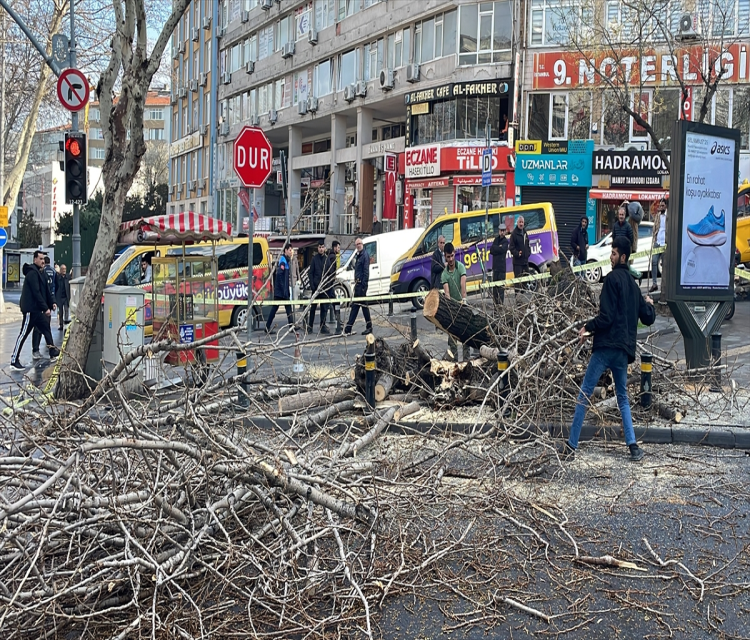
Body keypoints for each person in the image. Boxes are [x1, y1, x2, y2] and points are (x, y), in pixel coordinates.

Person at [557, 236, 656, 462]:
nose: (610, 257)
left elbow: (606, 318)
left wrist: (587, 328)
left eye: (613, 253)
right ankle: (633, 447)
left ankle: (571, 446)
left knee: (584, 394)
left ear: (622, 256)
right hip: (623, 351)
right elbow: (647, 317)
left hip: (605, 348)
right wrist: (649, 304)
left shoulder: (611, 280)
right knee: (622, 397)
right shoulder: (633, 284)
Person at [11, 251, 60, 369]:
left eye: (43, 259)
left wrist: (52, 302)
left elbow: (47, 291)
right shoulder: (32, 273)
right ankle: (14, 360)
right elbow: (36, 292)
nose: (43, 261)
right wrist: (45, 308)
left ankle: (52, 352)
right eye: (40, 259)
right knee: (23, 334)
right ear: (35, 260)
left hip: (37, 311)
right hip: (30, 310)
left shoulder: (41, 273)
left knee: (46, 329)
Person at [441, 242, 467, 361]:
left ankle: (467, 363)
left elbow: (463, 284)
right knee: (452, 341)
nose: (450, 259)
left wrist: (464, 300)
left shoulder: (460, 266)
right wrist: (450, 309)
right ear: (445, 256)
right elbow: (447, 293)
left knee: (466, 337)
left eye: (452, 256)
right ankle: (454, 365)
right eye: (448, 257)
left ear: (454, 254)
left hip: (461, 304)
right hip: (452, 307)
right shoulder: (444, 274)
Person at [344, 238, 373, 335]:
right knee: (359, 306)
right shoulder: (359, 255)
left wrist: (364, 285)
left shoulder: (364, 255)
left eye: (359, 244)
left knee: (358, 306)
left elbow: (366, 271)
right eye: (357, 244)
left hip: (361, 285)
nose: (358, 246)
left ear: (362, 244)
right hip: (358, 284)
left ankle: (349, 328)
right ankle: (366, 327)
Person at [265, 244, 295, 334]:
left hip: (283, 291)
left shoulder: (287, 260)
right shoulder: (283, 260)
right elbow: (279, 275)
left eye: (292, 250)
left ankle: (291, 326)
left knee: (288, 308)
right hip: (280, 292)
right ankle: (267, 327)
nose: (291, 252)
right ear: (285, 250)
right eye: (290, 250)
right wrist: (283, 290)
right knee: (274, 309)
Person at [307, 240, 331, 334]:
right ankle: (310, 326)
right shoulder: (314, 259)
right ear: (318, 248)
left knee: (324, 308)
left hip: (324, 288)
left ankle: (323, 326)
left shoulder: (327, 259)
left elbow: (329, 274)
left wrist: (327, 286)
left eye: (322, 247)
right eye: (319, 247)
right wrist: (313, 286)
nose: (321, 249)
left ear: (324, 248)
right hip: (315, 289)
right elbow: (311, 273)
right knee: (313, 308)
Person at [650, 199, 667, 293]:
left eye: (662, 205)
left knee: (664, 264)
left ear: (666, 206)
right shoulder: (658, 216)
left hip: (665, 242)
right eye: (660, 205)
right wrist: (654, 238)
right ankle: (654, 283)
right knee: (654, 261)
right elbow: (655, 227)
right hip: (658, 242)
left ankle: (664, 285)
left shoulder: (668, 216)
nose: (661, 207)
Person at [508, 216, 531, 288]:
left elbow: (528, 244)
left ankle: (523, 295)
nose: (521, 224)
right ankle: (518, 296)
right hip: (517, 262)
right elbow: (511, 247)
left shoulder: (524, 232)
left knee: (526, 279)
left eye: (522, 222)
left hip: (525, 261)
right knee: (518, 281)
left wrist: (528, 253)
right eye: (520, 222)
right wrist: (517, 253)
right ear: (517, 223)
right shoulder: (514, 234)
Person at [324, 241, 342, 333]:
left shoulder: (329, 255)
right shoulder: (333, 257)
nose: (339, 249)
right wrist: (332, 278)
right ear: (334, 248)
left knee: (329, 304)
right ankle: (338, 323)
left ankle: (338, 322)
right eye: (338, 247)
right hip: (329, 284)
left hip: (329, 284)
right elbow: (330, 270)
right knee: (334, 303)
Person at [490, 222, 508, 304]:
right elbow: (492, 250)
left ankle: (500, 306)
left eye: (504, 230)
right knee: (495, 290)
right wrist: (498, 248)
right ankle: (495, 307)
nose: (502, 232)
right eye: (501, 230)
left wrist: (497, 248)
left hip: (501, 268)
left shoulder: (505, 241)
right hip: (495, 268)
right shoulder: (496, 240)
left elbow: (502, 250)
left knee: (501, 290)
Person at [55, 264, 71, 330]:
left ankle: (66, 324)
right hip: (59, 297)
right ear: (60, 270)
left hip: (66, 297)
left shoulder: (68, 277)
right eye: (63, 269)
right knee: (60, 312)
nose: (64, 270)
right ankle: (61, 325)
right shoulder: (58, 277)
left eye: (65, 269)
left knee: (66, 310)